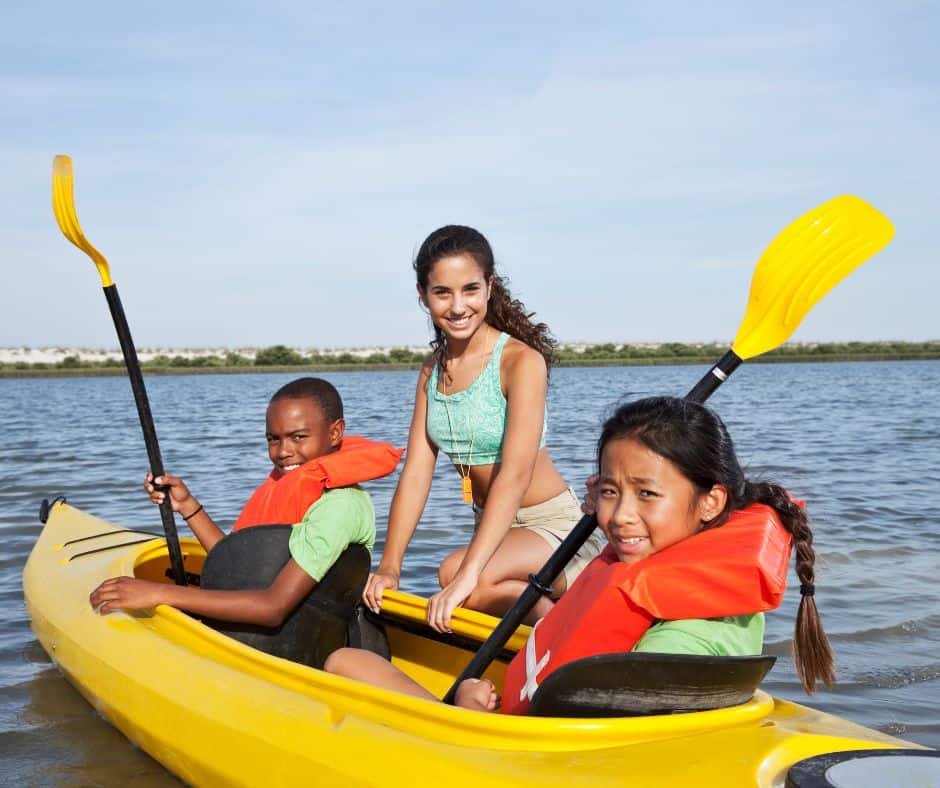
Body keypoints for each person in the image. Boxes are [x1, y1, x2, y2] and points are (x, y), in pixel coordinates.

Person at [326, 396, 834, 714]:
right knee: (347, 659)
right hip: (527, 707)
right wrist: (622, 494)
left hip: (515, 750)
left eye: (647, 495)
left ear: (711, 502)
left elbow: (577, 743)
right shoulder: (655, 559)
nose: (620, 517)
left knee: (344, 663)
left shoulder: (685, 641)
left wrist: (470, 711)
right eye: (610, 493)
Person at [363, 225, 606, 632]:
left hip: (554, 528)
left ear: (489, 287)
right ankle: (560, 630)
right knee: (461, 581)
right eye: (443, 292)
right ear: (423, 295)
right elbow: (417, 474)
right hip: (496, 530)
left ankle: (579, 632)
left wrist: (467, 574)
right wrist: (389, 567)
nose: (458, 306)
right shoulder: (431, 372)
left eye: (470, 289)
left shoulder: (520, 361)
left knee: (454, 573)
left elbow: (514, 475)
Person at [90, 377, 403, 626]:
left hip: (298, 643)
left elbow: (272, 608)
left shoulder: (340, 507)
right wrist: (187, 505)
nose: (283, 451)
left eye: (298, 437)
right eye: (273, 439)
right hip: (276, 634)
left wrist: (160, 593)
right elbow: (243, 567)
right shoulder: (290, 486)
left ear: (335, 433)